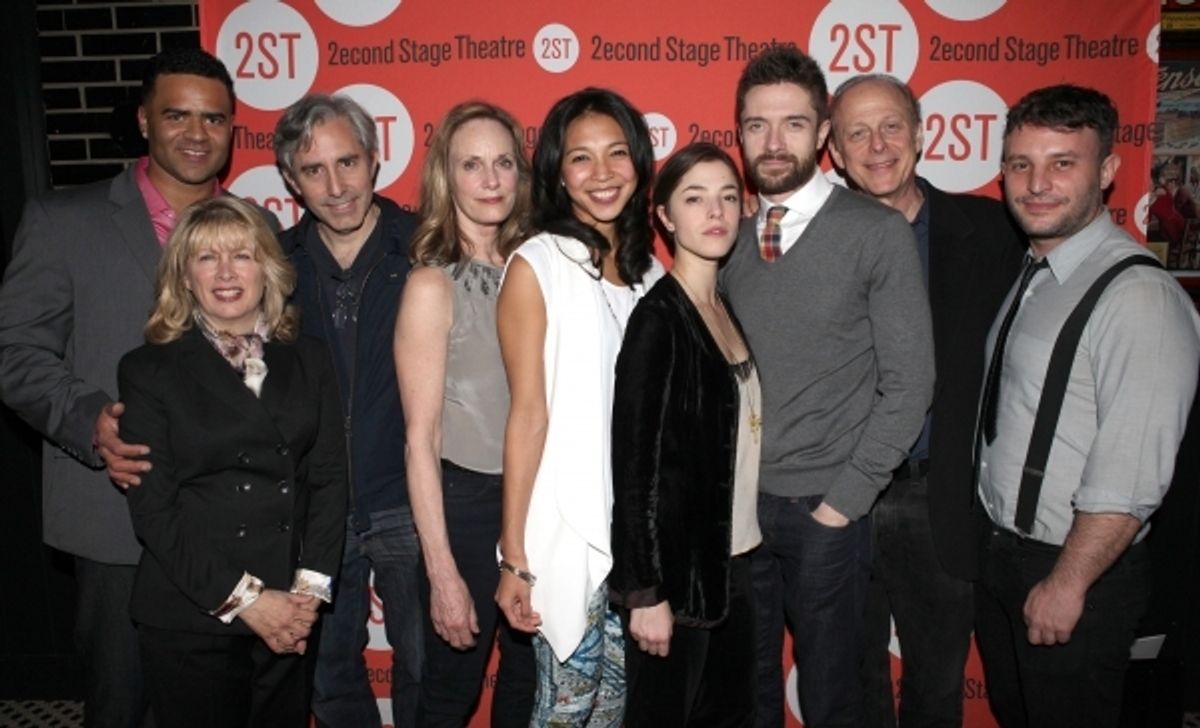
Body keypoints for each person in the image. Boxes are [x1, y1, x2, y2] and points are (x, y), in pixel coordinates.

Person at [0, 47, 244, 728]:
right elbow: (15, 351)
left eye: (214, 119)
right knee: (122, 701)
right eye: (178, 115)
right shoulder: (64, 221)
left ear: (232, 129)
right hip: (116, 518)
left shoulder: (257, 230)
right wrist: (87, 422)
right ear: (143, 120)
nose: (197, 134)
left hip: (233, 520)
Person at [720, 48, 935, 728]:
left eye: (792, 123)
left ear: (822, 135)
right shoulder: (725, 238)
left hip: (827, 509)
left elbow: (910, 384)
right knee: (747, 691)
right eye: (757, 125)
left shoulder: (874, 233)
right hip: (740, 512)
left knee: (835, 699)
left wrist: (843, 505)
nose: (773, 141)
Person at [974, 84, 1200, 728]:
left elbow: (1133, 470)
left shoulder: (1138, 299)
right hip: (1006, 559)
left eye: (1062, 163)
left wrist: (1068, 582)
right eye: (1021, 164)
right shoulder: (1035, 270)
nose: (1036, 183)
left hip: (1073, 571)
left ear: (1105, 172)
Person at [826, 74, 1026, 728]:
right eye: (857, 131)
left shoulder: (995, 231)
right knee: (853, 684)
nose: (877, 145)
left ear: (921, 133)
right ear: (834, 151)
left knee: (939, 684)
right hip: (836, 498)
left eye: (890, 126)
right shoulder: (808, 243)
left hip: (936, 497)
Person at [117, 196, 346, 727]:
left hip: (289, 611)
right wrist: (249, 603)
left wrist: (306, 598)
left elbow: (330, 480)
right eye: (205, 258)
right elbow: (155, 512)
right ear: (184, 276)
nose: (225, 272)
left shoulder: (308, 357)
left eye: (241, 255)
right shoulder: (149, 370)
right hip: (192, 613)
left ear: (266, 268)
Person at [495, 87, 664, 726]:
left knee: (612, 709)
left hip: (631, 537)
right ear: (557, 174)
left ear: (639, 162)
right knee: (566, 709)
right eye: (581, 158)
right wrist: (514, 559)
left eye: (617, 154)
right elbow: (527, 416)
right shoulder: (536, 265)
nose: (602, 174)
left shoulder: (650, 274)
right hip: (565, 530)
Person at [272, 93, 422, 728]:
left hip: (411, 500)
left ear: (375, 159)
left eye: (348, 163)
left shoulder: (425, 246)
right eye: (314, 170)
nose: (336, 188)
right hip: (315, 508)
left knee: (428, 666)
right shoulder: (270, 264)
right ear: (289, 179)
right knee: (329, 675)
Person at [394, 101, 536, 727]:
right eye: (471, 164)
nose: (490, 179)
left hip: (538, 501)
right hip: (468, 508)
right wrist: (442, 569)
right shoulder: (432, 285)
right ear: (445, 178)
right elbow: (419, 442)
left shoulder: (542, 271)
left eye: (503, 162)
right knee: (452, 693)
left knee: (529, 684)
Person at [610, 142, 761, 727]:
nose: (715, 212)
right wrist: (645, 593)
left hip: (736, 563)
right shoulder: (658, 320)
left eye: (727, 197)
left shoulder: (722, 305)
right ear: (666, 218)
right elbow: (635, 467)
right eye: (694, 199)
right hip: (677, 577)